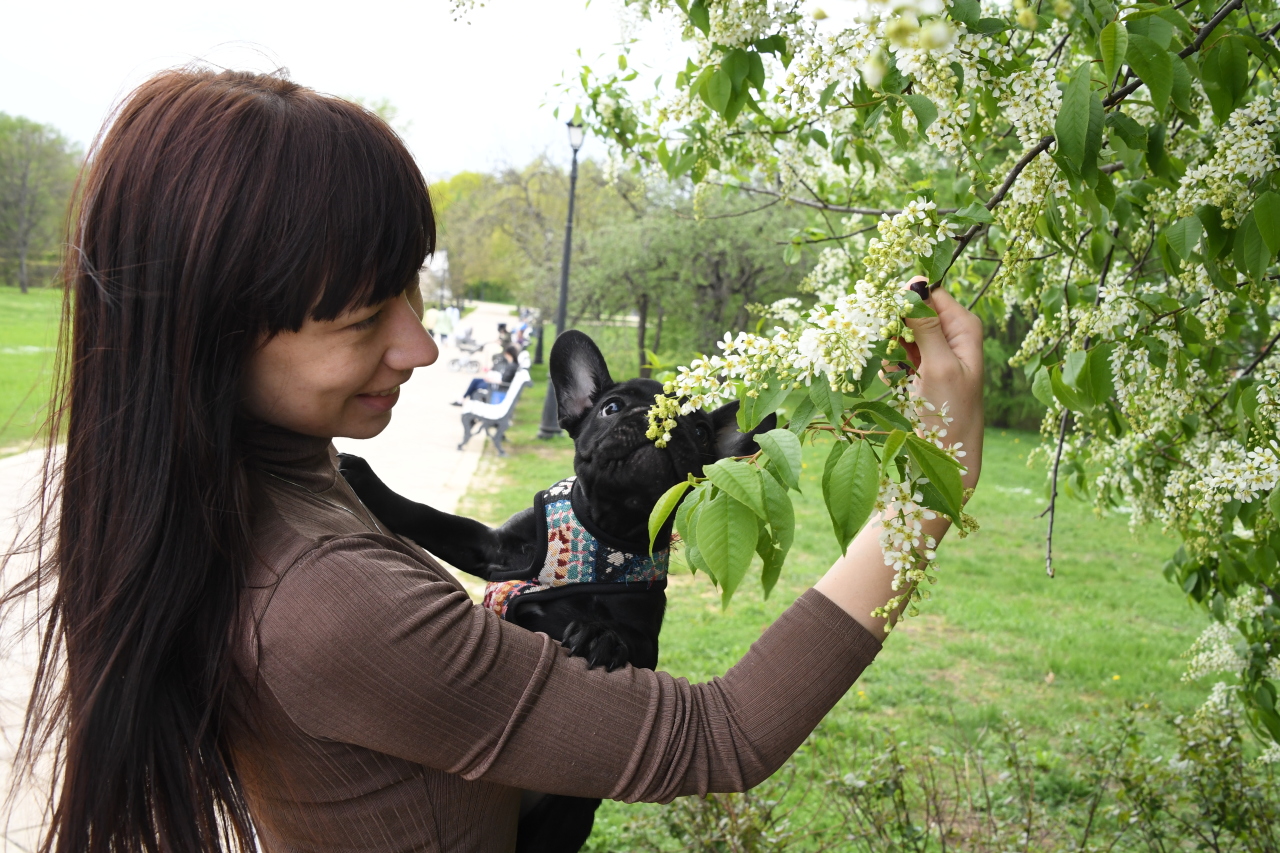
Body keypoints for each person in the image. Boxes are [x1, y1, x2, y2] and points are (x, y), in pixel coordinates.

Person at [5, 69, 983, 853]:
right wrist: (924, 496)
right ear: (210, 337)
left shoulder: (241, 492)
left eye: (411, 296)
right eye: (361, 320)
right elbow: (721, 734)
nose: (421, 348)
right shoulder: (324, 599)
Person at [453, 345, 519, 406]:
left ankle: (465, 401)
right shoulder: (512, 365)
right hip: (497, 385)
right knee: (475, 380)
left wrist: (491, 379)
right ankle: (463, 399)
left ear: (508, 354)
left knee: (477, 385)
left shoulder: (512, 366)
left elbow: (503, 381)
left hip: (497, 388)